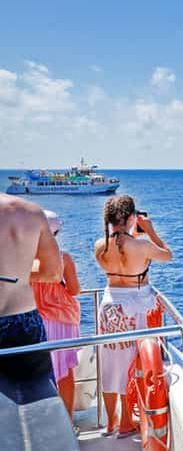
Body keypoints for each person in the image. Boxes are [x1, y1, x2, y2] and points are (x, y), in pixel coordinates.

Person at [0, 193, 77, 451]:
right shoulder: (31, 211)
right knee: (39, 400)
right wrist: (17, 272)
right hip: (24, 320)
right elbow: (53, 272)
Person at [93, 195, 172, 438]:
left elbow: (121, 249)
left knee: (110, 364)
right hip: (134, 306)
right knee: (130, 365)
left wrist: (132, 234)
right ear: (131, 218)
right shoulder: (142, 245)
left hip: (109, 307)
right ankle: (127, 423)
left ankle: (111, 423)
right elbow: (167, 255)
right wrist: (151, 231)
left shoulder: (100, 245)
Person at [31, 210, 81, 423]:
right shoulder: (63, 258)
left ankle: (44, 423)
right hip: (63, 319)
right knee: (66, 373)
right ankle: (68, 422)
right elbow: (75, 290)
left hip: (36, 320)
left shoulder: (23, 260)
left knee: (40, 374)